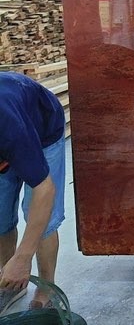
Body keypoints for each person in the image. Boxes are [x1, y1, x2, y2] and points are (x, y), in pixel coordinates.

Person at [0, 72, 66, 311]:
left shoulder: (9, 128)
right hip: (10, 133)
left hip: (43, 132)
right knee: (1, 217)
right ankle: (10, 284)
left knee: (40, 218)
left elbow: (44, 190)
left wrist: (23, 256)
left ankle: (46, 289)